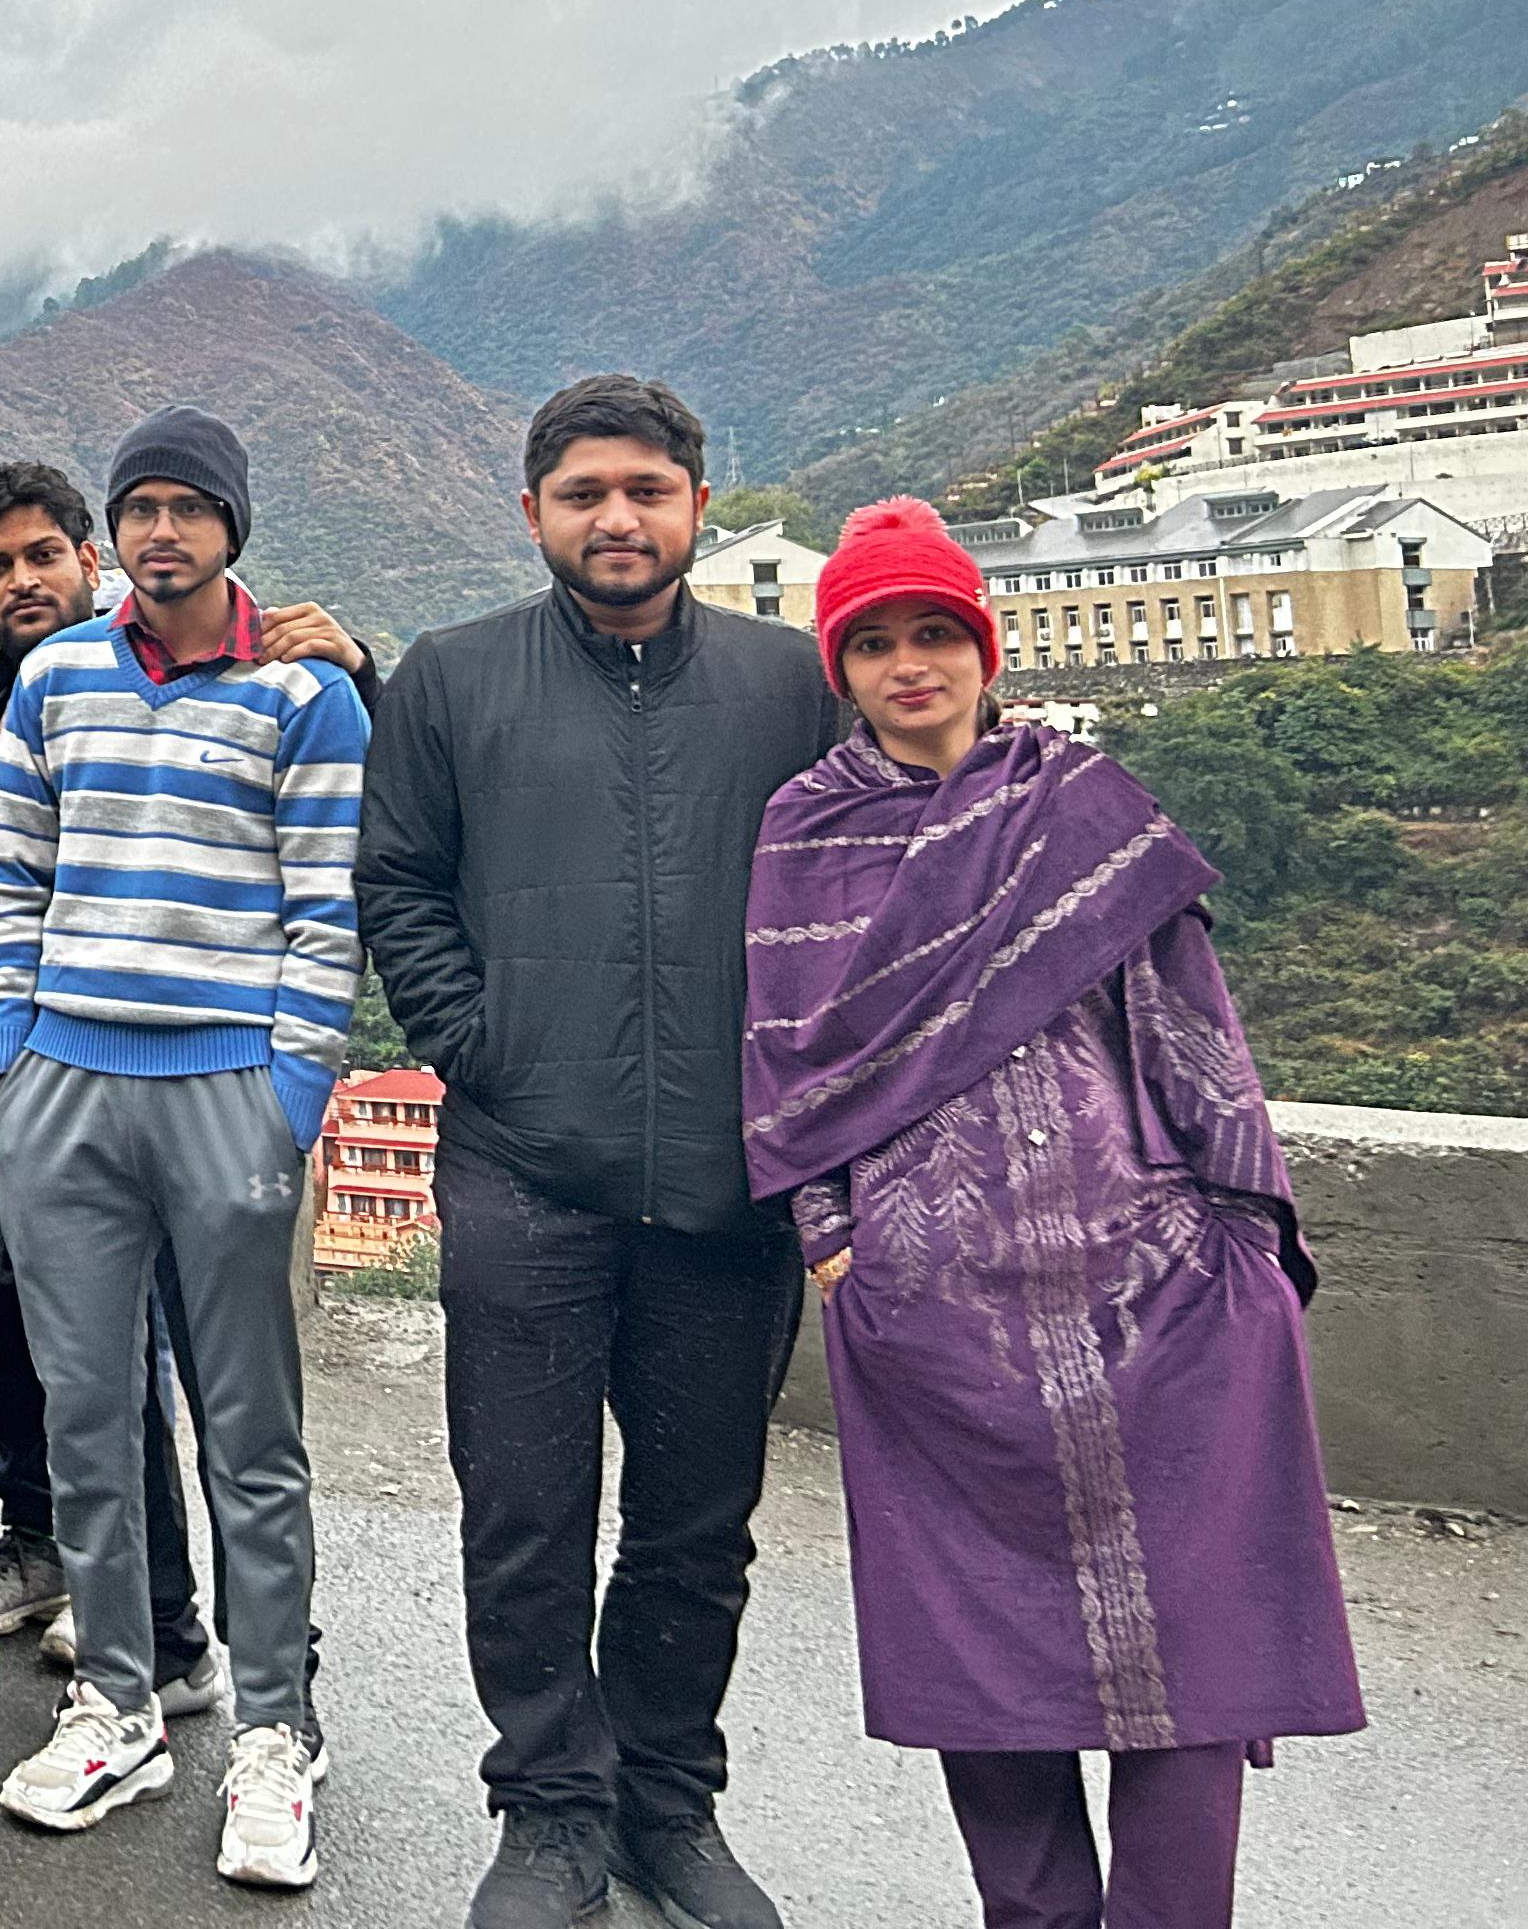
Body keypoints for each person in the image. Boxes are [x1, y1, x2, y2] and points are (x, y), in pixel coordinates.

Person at [743, 502, 1362, 1929]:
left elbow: (1193, 1027)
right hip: (933, 1306)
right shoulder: (808, 832)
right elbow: (787, 1060)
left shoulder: (1079, 804)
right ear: (842, 668)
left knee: (1192, 1654)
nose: (911, 665)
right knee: (981, 1653)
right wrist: (835, 1246)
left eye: (936, 632)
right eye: (876, 643)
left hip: (1156, 1282)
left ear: (986, 646)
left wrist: (1246, 1235)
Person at [355, 375, 839, 1929]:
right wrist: (482, 1045)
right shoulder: (451, 679)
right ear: (533, 514)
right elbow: (399, 885)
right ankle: (551, 1808)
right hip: (523, 1171)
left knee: (697, 1527)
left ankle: (665, 1803)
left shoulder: (791, 684)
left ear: (698, 504)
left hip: (728, 1184)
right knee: (525, 1517)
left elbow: (864, 884)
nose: (616, 519)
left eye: (646, 490)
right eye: (584, 494)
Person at [0, 408, 361, 1887]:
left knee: (250, 1435)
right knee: (86, 1420)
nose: (161, 532)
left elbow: (327, 912)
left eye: (189, 507)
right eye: (139, 508)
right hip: (66, 1089)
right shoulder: (55, 677)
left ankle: (275, 1728)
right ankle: (119, 1700)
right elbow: (9, 874)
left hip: (226, 1093)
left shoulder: (305, 694)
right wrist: (12, 1058)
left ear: (231, 526)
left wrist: (289, 1099)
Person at [0, 463, 225, 1712]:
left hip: (192, 1078)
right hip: (35, 1082)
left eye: (43, 555)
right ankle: (138, 1623)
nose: (21, 583)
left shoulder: (169, 677)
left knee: (210, 1385)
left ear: (90, 562)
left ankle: (232, 1651)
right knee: (76, 1369)